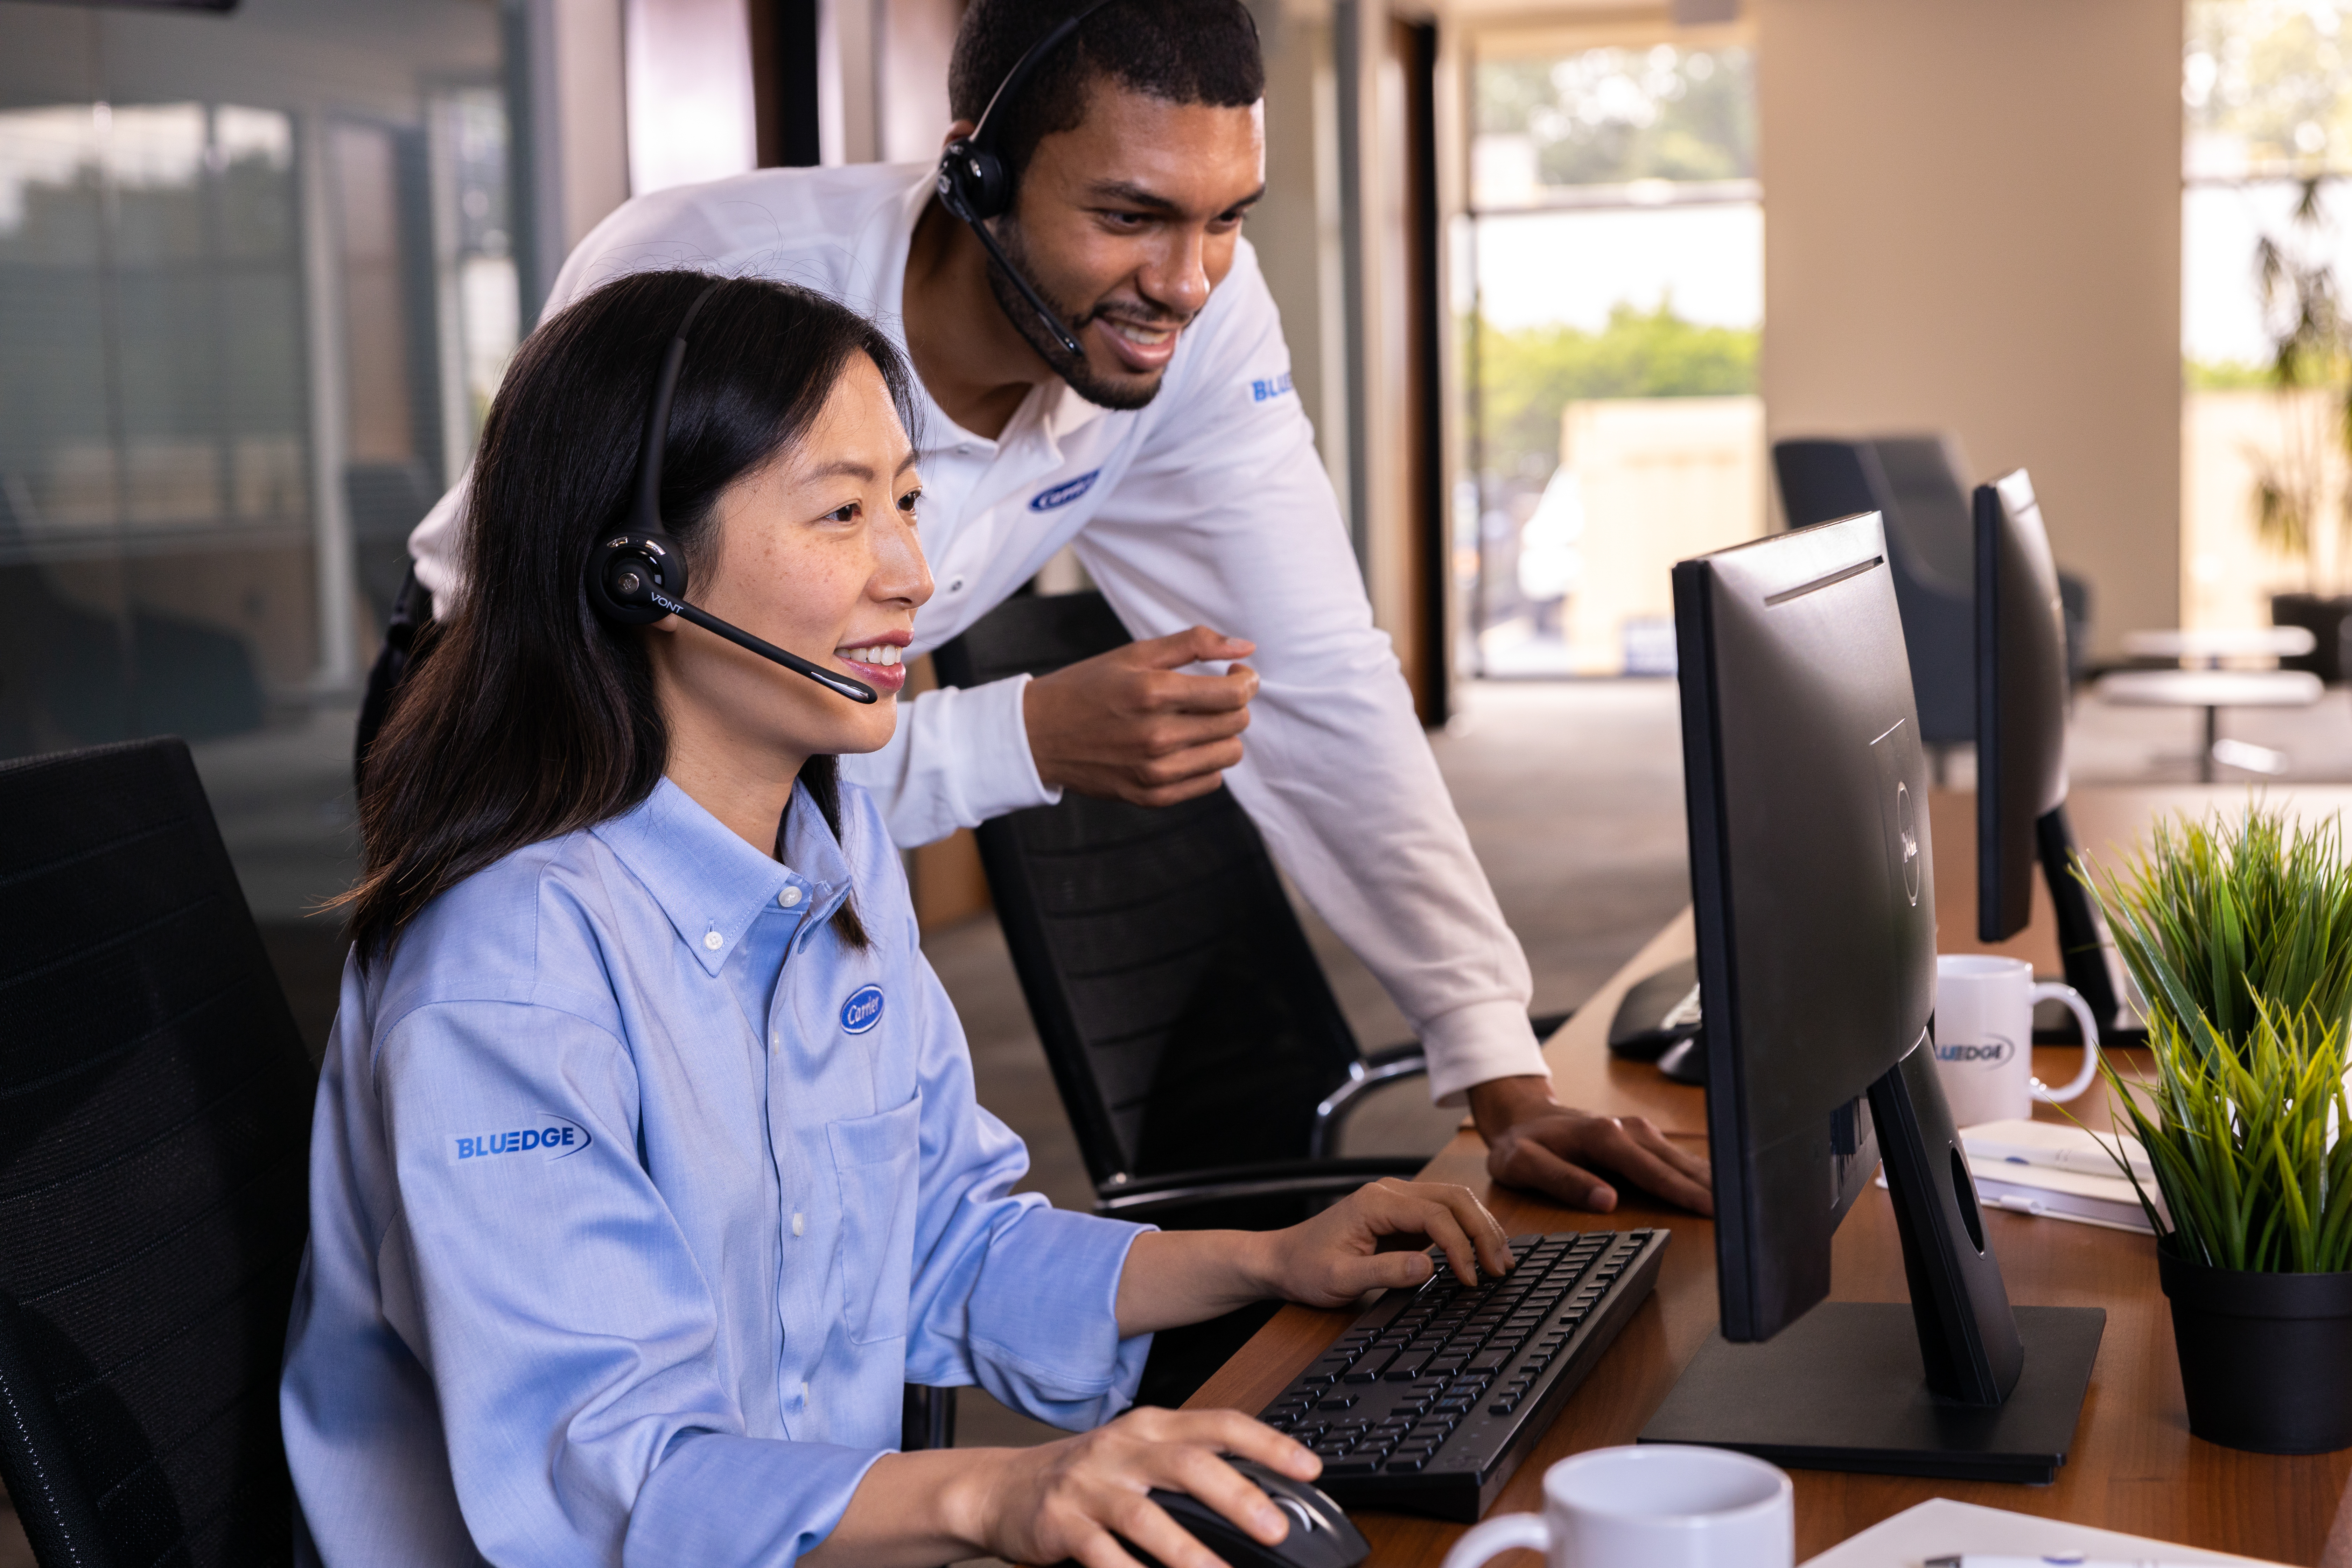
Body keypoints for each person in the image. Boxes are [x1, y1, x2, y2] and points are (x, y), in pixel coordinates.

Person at [390, 0, 1710, 1217]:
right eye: (1132, 216)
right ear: (976, 174)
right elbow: (635, 732)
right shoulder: (712, 289)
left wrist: (1501, 1076)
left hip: (815, 785)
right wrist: (1013, 741)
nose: (1189, 284)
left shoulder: (1193, 321)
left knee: (840, 1222)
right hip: (524, 736)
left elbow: (1317, 684)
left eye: (1227, 217)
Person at [286, 270, 1517, 1567]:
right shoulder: (513, 970)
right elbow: (611, 1483)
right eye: (841, 513)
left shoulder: (836, 851)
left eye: (911, 503)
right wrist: (1000, 1496)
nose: (913, 576)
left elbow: (944, 1242)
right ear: (641, 568)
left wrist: (1266, 1264)